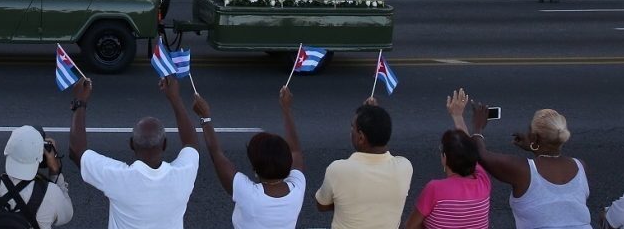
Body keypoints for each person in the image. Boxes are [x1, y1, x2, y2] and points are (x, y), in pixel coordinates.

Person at [68, 76, 200, 229]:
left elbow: (76, 151)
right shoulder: (183, 175)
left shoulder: (118, 177)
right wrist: (175, 98)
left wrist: (80, 102)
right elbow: (191, 144)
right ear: (165, 144)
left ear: (131, 144)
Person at [449, 91, 591, 229]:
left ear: (535, 138)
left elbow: (479, 155)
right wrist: (535, 147)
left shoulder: (523, 170)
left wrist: (478, 127)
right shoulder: (580, 165)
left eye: (529, 130)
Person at [193, 86, 304, 229]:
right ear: (288, 163)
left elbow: (216, 154)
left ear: (255, 169)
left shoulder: (248, 194)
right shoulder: (298, 188)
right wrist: (286, 109)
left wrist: (205, 116)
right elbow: (296, 151)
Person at [315, 96, 412, 229]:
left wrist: (349, 203)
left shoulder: (337, 170)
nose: (350, 132)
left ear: (361, 137)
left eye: (352, 128)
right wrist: (375, 117)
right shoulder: (405, 167)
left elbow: (321, 205)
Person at [0, 126, 73, 229]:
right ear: (40, 157)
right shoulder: (51, 193)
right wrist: (55, 172)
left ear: (7, 151)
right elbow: (67, 215)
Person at [407, 100, 490, 228]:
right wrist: (458, 116)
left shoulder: (434, 189)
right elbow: (469, 149)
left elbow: (410, 226)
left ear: (444, 158)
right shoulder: (483, 181)